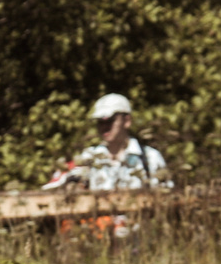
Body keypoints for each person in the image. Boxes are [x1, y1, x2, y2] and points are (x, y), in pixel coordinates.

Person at [42, 93, 168, 238]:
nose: (104, 127)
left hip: (141, 238)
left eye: (110, 121)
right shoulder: (88, 157)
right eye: (100, 122)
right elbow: (53, 188)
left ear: (127, 121)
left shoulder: (149, 157)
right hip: (97, 239)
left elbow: (165, 198)